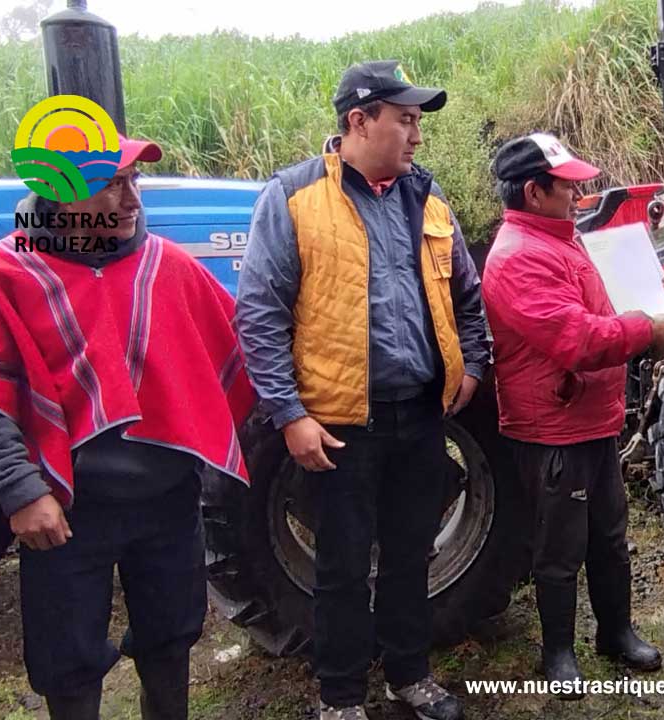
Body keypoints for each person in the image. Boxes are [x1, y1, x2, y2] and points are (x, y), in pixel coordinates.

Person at [0, 136, 255, 720]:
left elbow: (240, 356)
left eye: (134, 182)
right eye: (112, 184)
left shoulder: (167, 265)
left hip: (169, 501)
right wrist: (22, 492)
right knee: (67, 660)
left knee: (172, 636)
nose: (132, 200)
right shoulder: (4, 274)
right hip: (66, 510)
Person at [236, 61, 489, 720]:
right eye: (405, 120)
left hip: (421, 416)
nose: (417, 136)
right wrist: (290, 415)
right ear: (359, 121)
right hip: (341, 425)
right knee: (342, 567)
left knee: (411, 555)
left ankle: (411, 676)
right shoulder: (293, 198)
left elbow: (466, 294)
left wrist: (473, 366)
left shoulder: (427, 198)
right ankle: (341, 698)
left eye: (418, 122)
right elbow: (259, 315)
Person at [481, 132, 664, 696]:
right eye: (567, 186)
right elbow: (576, 338)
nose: (578, 194)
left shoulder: (560, 241)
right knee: (559, 548)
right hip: (553, 428)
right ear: (533, 191)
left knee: (610, 537)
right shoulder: (518, 257)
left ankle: (616, 633)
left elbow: (599, 308)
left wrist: (658, 295)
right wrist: (647, 328)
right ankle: (558, 653)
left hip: (591, 418)